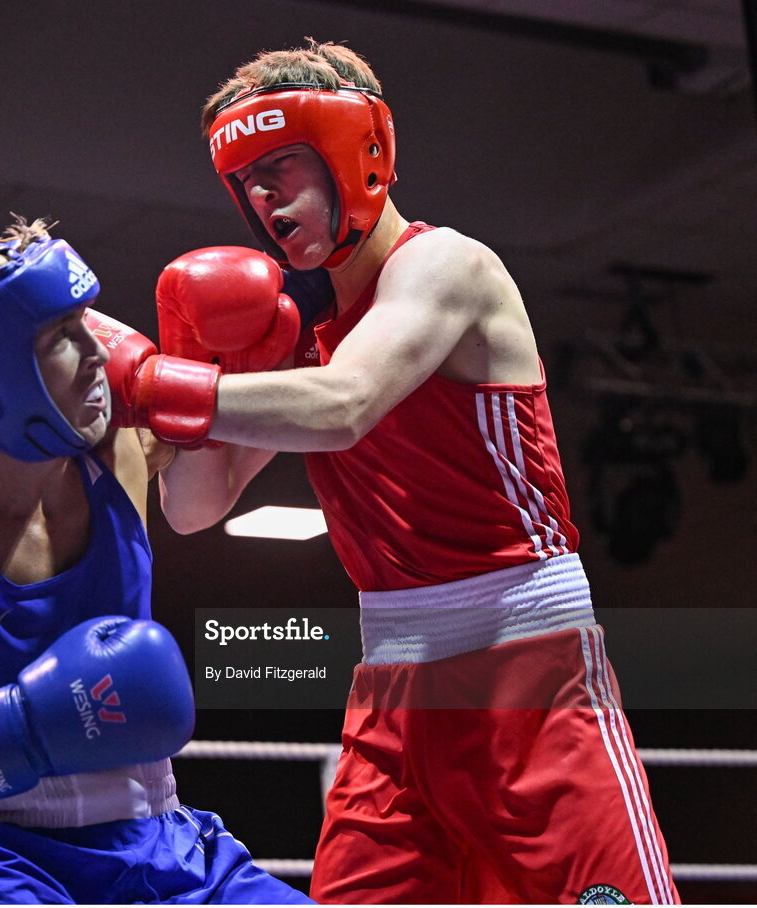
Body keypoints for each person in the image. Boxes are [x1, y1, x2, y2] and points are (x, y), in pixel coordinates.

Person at [111, 40, 680, 905]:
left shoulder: (446, 266)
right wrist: (197, 359)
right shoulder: (295, 336)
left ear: (357, 154)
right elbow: (193, 508)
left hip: (527, 671)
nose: (263, 197)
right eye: (246, 181)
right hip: (391, 692)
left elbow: (345, 405)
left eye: (283, 165)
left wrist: (154, 385)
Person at [0, 217, 312, 905]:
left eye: (85, 323)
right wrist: (21, 728)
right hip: (5, 860)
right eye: (63, 338)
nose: (101, 353)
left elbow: (214, 480)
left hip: (169, 844)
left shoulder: (120, 448)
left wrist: (267, 359)